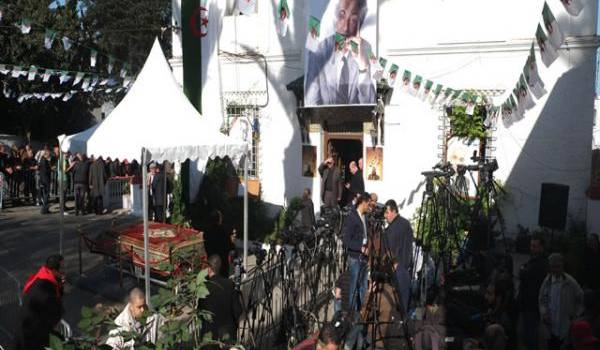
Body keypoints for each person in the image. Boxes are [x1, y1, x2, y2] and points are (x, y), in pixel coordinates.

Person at [305, 0, 375, 106]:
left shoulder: (366, 49)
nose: (345, 27)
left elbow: (370, 108)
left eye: (353, 19)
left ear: (360, 23)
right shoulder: (318, 51)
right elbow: (311, 104)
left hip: (357, 121)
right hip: (325, 121)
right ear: (335, 18)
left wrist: (363, 68)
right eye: (342, 15)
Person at [16, 255, 65, 350]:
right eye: (62, 268)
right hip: (30, 334)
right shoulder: (45, 286)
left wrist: (60, 286)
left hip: (31, 327)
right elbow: (56, 309)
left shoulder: (43, 275)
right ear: (54, 270)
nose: (64, 270)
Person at [539, 253, 584, 350]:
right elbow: (542, 299)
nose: (555, 270)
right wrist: (544, 313)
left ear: (562, 266)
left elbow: (581, 299)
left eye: (558, 267)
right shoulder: (547, 281)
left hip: (565, 328)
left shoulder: (570, 282)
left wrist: (576, 316)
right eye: (553, 267)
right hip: (551, 327)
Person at [342, 193, 370, 349]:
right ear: (363, 203)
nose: (369, 207)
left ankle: (362, 310)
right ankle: (353, 312)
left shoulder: (363, 216)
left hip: (363, 257)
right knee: (354, 285)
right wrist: (360, 247)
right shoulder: (352, 217)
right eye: (368, 204)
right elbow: (346, 240)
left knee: (362, 286)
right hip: (355, 257)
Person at [198, 255, 242, 345]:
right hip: (227, 335)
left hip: (209, 337)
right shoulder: (229, 284)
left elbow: (200, 312)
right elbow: (238, 310)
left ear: (209, 269)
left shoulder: (203, 287)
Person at [382, 199, 414, 311]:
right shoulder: (406, 223)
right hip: (406, 266)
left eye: (387, 213)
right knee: (404, 303)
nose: (385, 216)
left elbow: (390, 251)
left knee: (397, 305)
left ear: (394, 211)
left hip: (396, 268)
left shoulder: (391, 229)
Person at [518, 235, 548, 350]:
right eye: (531, 246)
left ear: (541, 248)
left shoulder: (541, 263)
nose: (532, 248)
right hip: (527, 302)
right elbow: (523, 270)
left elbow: (524, 273)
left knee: (530, 334)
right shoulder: (533, 260)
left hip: (533, 304)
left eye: (535, 246)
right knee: (526, 333)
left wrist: (523, 270)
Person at [203, 210, 234, 277]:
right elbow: (229, 246)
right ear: (219, 219)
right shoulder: (224, 230)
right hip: (223, 261)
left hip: (211, 261)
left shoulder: (206, 232)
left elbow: (206, 246)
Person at [38, 149, 52, 214]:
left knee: (46, 195)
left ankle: (46, 209)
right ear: (46, 154)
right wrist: (51, 169)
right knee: (46, 195)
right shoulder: (44, 161)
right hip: (45, 180)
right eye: (49, 154)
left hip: (44, 179)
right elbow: (45, 171)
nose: (49, 156)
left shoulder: (43, 160)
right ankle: (44, 209)